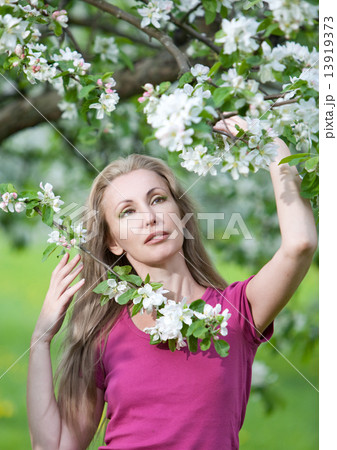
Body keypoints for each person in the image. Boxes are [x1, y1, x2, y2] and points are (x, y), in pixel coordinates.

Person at [27, 117, 317, 449]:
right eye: (127, 211)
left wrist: (272, 146)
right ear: (113, 243)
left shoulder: (234, 313)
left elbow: (300, 245)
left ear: (180, 212)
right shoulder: (103, 333)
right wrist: (40, 339)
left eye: (158, 199)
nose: (150, 217)